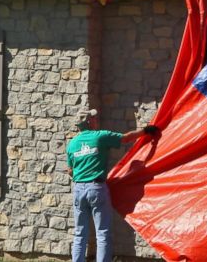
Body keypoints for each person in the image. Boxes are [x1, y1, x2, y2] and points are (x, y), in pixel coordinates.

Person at [67, 108, 159, 262]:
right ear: (89, 122)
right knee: (102, 232)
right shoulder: (100, 136)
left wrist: (82, 170)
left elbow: (70, 170)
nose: (96, 120)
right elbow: (126, 138)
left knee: (79, 233)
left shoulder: (72, 144)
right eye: (94, 118)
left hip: (78, 190)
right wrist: (145, 131)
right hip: (96, 189)